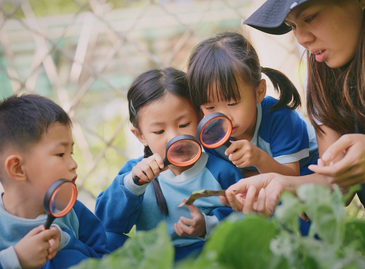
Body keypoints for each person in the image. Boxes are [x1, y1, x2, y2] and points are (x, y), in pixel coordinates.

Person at [219, 0, 365, 216]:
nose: (302, 38)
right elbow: (337, 187)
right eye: (292, 26)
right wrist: (281, 183)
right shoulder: (325, 76)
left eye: (309, 18)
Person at [0, 94, 109, 269]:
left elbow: (108, 261)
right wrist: (14, 259)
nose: (73, 164)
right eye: (60, 154)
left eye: (70, 153)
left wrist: (66, 242)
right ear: (17, 168)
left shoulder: (75, 214)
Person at [94, 68, 243, 261]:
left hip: (206, 259)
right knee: (109, 239)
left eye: (183, 125)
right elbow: (107, 224)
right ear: (140, 136)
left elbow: (245, 214)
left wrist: (208, 225)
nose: (174, 137)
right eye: (159, 131)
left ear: (199, 119)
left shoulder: (220, 171)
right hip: (154, 261)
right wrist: (133, 185)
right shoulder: (135, 175)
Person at [187, 31, 318, 178]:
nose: (225, 117)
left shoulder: (279, 117)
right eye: (210, 107)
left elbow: (292, 177)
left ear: (259, 92)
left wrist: (259, 158)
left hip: (311, 170)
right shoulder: (211, 135)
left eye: (232, 103)